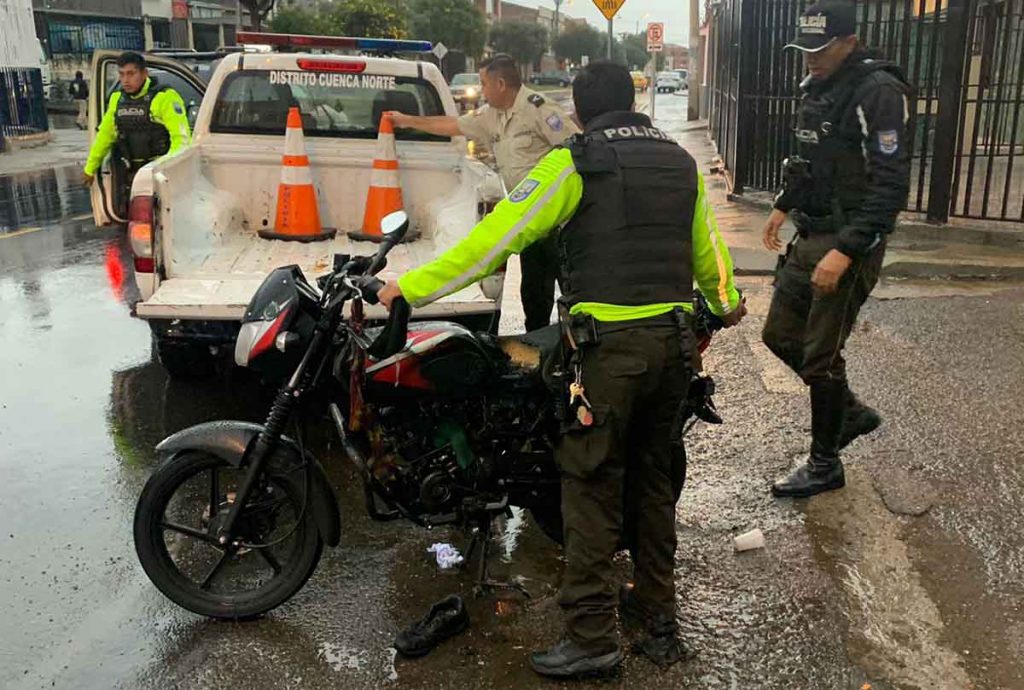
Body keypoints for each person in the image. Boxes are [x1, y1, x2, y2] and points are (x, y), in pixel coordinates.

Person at [379, 61, 744, 678]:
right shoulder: (678, 162)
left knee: (591, 488)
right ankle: (657, 617)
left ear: (578, 111)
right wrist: (727, 303)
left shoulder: (575, 162)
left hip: (611, 355)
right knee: (652, 485)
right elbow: (709, 255)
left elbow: (496, 240)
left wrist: (409, 288)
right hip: (674, 349)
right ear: (634, 104)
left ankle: (592, 637)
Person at [762, 0, 912, 498]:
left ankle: (825, 463)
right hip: (812, 232)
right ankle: (847, 413)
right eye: (804, 48)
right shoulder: (819, 85)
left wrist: (847, 251)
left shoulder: (878, 92)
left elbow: (890, 186)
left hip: (847, 241)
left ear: (850, 42)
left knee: (820, 357)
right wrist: (784, 203)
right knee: (779, 334)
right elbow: (810, 159)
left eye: (821, 48)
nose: (811, 57)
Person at [388, 54, 578, 332]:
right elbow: (453, 125)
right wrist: (406, 121)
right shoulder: (491, 116)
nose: (482, 90)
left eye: (484, 83)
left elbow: (577, 148)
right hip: (529, 223)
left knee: (572, 293)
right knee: (534, 295)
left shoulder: (539, 109)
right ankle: (539, 345)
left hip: (560, 223)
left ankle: (578, 347)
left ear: (501, 84)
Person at [82, 52, 191, 207]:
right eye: (121, 74)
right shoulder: (117, 100)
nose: (125, 80)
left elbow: (181, 140)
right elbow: (105, 136)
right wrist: (90, 168)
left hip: (160, 174)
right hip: (130, 174)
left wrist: (166, 172)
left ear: (144, 73)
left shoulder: (165, 97)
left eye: (131, 74)